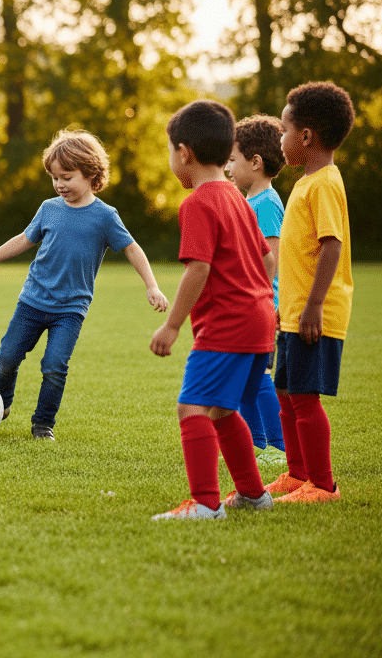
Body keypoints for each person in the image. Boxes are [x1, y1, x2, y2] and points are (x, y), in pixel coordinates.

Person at [0, 129, 167, 440]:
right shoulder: (49, 209)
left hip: (70, 309)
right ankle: (1, 404)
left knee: (54, 366)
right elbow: (23, 240)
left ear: (91, 174)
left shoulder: (105, 216)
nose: (60, 184)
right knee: (6, 358)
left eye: (67, 177)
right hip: (32, 300)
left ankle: (43, 424)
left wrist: (152, 286)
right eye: (55, 177)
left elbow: (132, 248)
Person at [150, 100, 277, 520]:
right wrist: (253, 293)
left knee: (193, 408)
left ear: (183, 153)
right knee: (223, 410)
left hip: (228, 324)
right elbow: (267, 258)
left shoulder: (199, 203)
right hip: (260, 320)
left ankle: (205, 504)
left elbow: (199, 267)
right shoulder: (237, 197)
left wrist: (171, 326)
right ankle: (254, 495)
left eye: (170, 152)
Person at [264, 82, 354, 503]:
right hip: (292, 311)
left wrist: (315, 305)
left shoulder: (325, 183)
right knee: (286, 391)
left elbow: (332, 244)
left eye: (283, 129)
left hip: (313, 313)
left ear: (305, 136)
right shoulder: (305, 182)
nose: (279, 139)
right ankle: (298, 475)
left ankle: (323, 484)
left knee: (304, 397)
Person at [224, 114, 286, 465]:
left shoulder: (266, 205)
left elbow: (270, 261)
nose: (228, 168)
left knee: (259, 375)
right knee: (245, 377)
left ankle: (278, 447)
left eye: (233, 160)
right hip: (245, 303)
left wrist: (260, 302)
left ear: (255, 162)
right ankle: (257, 444)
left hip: (259, 306)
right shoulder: (250, 202)